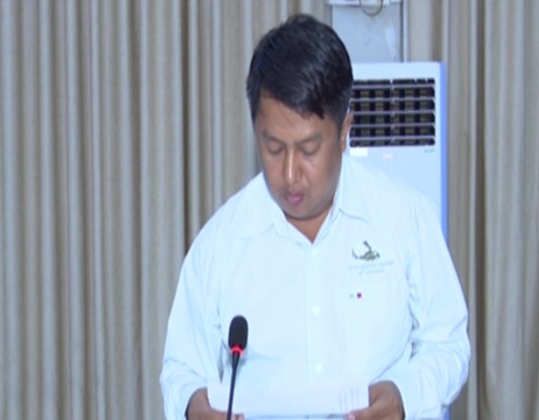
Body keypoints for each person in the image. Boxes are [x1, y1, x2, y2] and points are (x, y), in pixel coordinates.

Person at [160, 14, 469, 420]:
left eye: (308, 150)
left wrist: (404, 397)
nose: (290, 174)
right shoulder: (220, 243)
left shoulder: (405, 218)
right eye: (273, 148)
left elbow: (448, 345)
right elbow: (181, 368)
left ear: (344, 131)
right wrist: (192, 405)